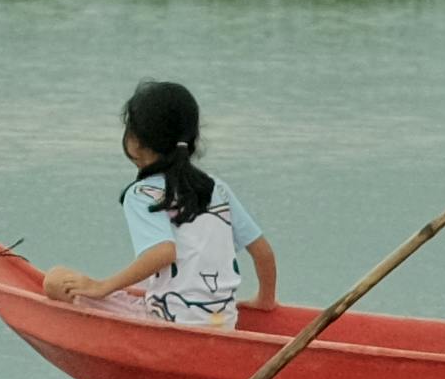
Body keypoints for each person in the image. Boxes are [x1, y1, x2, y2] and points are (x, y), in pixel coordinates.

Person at [34, 77, 277, 328]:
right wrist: (265, 301)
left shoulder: (141, 193)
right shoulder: (217, 188)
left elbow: (162, 252)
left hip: (166, 323)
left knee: (55, 279)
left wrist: (102, 287)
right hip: (222, 324)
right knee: (150, 280)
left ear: (136, 140)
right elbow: (263, 252)